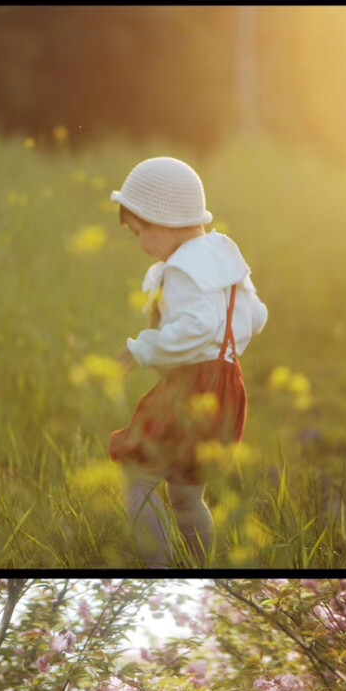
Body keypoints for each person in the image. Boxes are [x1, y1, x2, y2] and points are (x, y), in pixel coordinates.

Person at [108, 156, 267, 564]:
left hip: (193, 386)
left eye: (139, 232)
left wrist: (143, 348)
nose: (140, 244)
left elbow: (196, 327)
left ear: (161, 222)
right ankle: (201, 565)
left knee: (137, 473)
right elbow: (257, 316)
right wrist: (226, 349)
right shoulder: (224, 257)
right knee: (186, 490)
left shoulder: (182, 267)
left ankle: (157, 565)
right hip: (229, 389)